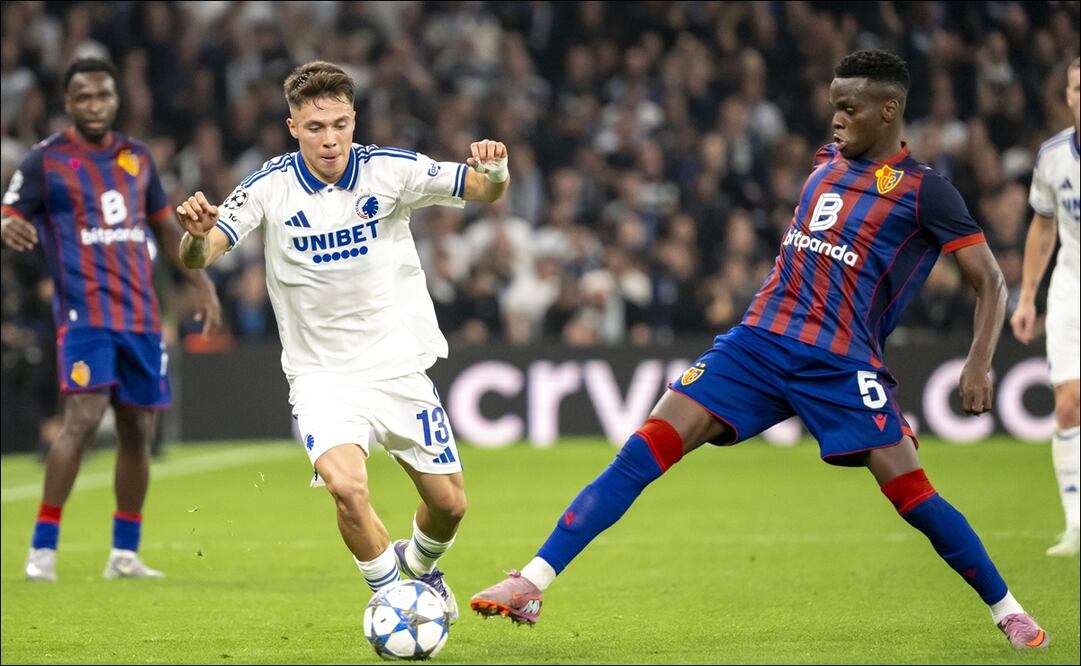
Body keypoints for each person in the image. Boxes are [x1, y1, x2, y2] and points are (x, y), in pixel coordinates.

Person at [470, 50, 1049, 650]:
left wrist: (979, 361)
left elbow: (991, 280)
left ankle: (1008, 609)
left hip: (840, 363)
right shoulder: (826, 163)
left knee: (912, 495)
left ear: (889, 110)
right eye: (833, 108)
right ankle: (532, 582)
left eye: (849, 109)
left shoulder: (926, 193)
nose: (836, 121)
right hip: (755, 344)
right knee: (642, 450)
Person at [173, 61, 509, 621]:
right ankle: (392, 599)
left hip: (396, 365)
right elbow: (201, 255)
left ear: (354, 120)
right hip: (322, 377)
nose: (330, 139)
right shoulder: (269, 187)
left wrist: (494, 170)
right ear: (292, 127)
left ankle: (422, 572)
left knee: (449, 506)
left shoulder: (390, 170)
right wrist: (194, 237)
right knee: (347, 489)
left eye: (340, 124)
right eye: (314, 127)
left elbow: (483, 190)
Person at [1, 57, 222, 582]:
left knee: (136, 432)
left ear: (116, 98)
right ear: (68, 102)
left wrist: (201, 280)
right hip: (84, 315)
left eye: (103, 95)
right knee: (81, 416)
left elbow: (167, 229)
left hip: (141, 315)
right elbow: (10, 211)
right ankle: (43, 549)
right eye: (83, 97)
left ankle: (124, 552)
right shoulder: (45, 161)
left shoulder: (137, 158)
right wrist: (6, 226)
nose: (94, 105)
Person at [1010, 57, 1080, 558]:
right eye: (1078, 88)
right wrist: (1028, 294)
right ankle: (1076, 525)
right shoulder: (1053, 156)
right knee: (1069, 401)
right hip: (1070, 288)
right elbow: (1043, 225)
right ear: (1069, 96)